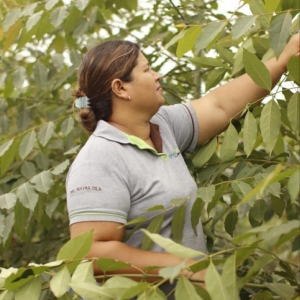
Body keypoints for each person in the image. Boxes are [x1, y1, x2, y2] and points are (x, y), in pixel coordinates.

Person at [66, 33, 300, 297]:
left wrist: (283, 60)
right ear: (120, 88)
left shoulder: (162, 126)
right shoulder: (100, 159)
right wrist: (184, 267)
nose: (157, 76)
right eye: (147, 70)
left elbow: (220, 106)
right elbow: (90, 253)